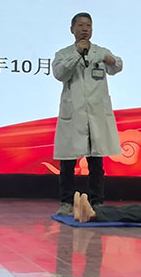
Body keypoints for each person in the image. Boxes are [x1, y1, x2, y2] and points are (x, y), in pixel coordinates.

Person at [52, 12, 123, 215]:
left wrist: (110, 60)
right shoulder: (64, 54)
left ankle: (97, 202)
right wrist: (77, 54)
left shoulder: (100, 51)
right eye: (81, 25)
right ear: (72, 29)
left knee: (96, 162)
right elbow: (60, 73)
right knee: (67, 162)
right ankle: (66, 202)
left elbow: (118, 66)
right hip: (74, 115)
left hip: (95, 116)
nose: (85, 29)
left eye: (88, 26)